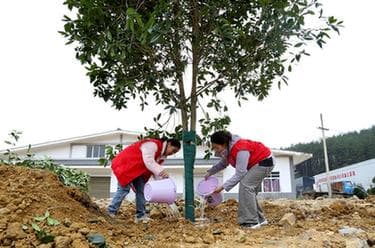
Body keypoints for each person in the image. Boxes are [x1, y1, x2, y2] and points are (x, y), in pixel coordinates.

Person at [205, 130, 274, 229]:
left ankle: (251, 222)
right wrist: (210, 172)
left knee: (246, 186)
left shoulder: (240, 148)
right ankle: (260, 219)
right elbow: (223, 164)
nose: (216, 150)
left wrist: (222, 187)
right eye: (214, 147)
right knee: (249, 190)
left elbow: (240, 173)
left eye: (217, 147)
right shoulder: (227, 150)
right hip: (256, 164)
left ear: (224, 143)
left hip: (264, 161)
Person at [107, 137, 181, 223]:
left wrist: (164, 183)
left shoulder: (161, 156)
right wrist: (161, 171)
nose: (172, 153)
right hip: (125, 165)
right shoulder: (152, 145)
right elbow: (149, 162)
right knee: (123, 189)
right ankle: (110, 212)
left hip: (137, 170)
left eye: (175, 152)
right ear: (169, 144)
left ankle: (141, 216)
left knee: (142, 191)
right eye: (173, 150)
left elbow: (154, 171)